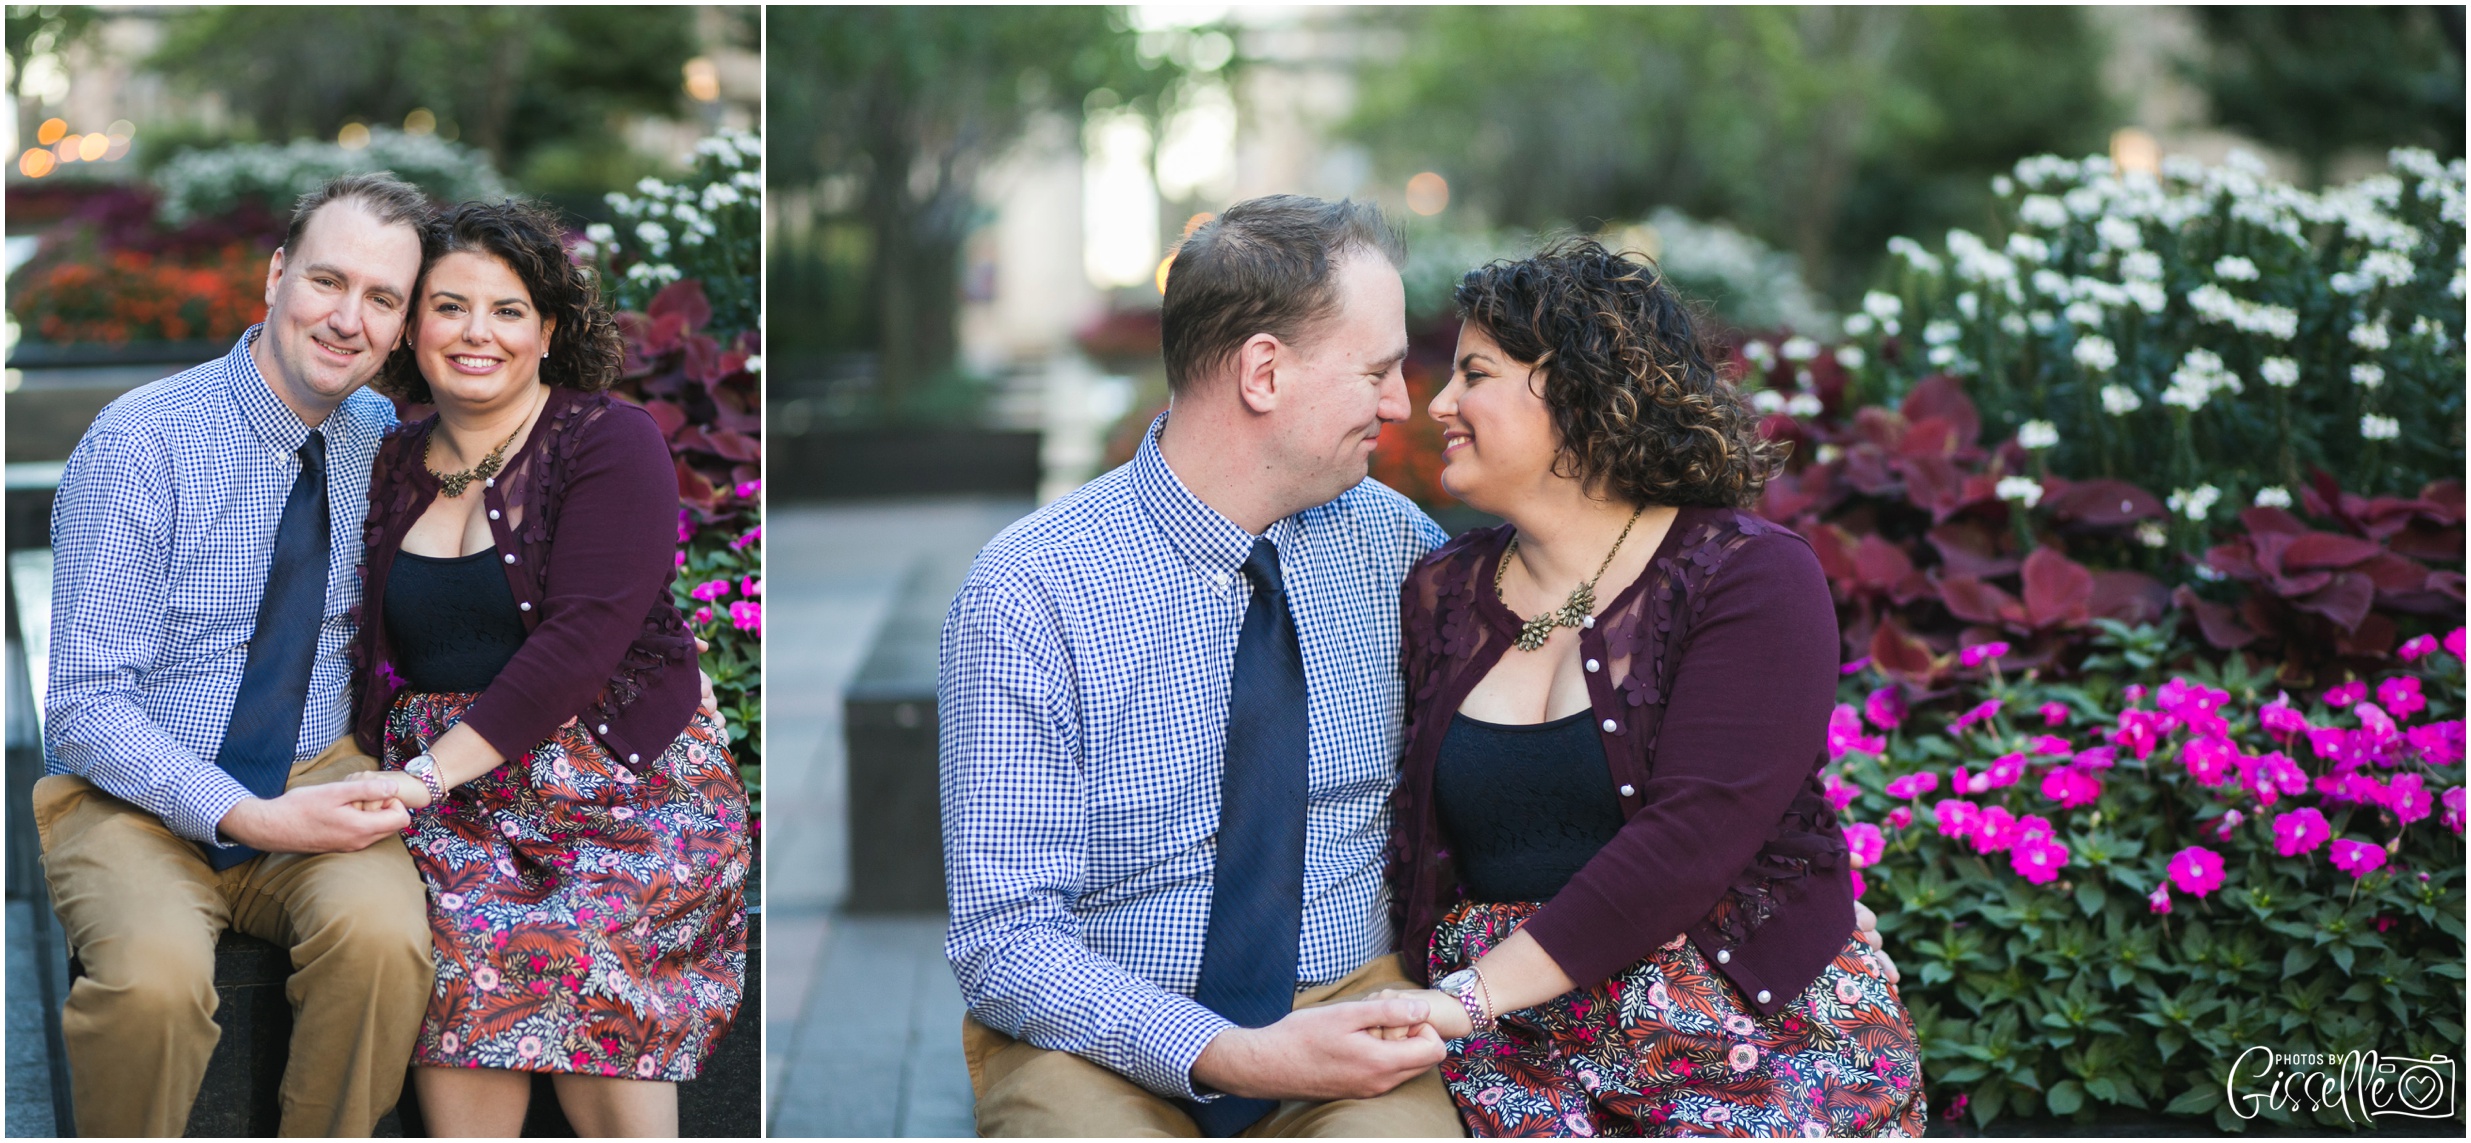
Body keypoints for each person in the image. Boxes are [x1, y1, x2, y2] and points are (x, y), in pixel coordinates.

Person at [939, 197, 1894, 1137]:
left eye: (1443, 373)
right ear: (1262, 372)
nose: (1410, 405)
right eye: (1381, 370)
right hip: (1110, 1024)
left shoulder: (1395, 551)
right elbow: (1003, 936)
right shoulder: (1032, 591)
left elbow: (1686, 814)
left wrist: (1445, 1003)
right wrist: (1229, 1049)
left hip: (1362, 1008)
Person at [1372, 240, 1927, 1136]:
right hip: (1510, 1050)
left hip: (1742, 1029)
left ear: (1576, 389)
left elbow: (1695, 837)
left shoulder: (1745, 576)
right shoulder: (1440, 591)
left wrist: (1467, 998)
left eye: (1472, 374)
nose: (1438, 404)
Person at [39, 173, 437, 1137]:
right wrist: (248, 812)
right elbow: (86, 706)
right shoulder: (144, 442)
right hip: (131, 798)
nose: (348, 319)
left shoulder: (382, 438)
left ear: (400, 328)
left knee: (389, 941)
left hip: (317, 767)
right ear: (274, 276)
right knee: (152, 982)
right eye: (327, 281)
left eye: (382, 299)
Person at [350, 198, 750, 1138]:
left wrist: (420, 776)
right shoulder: (388, 457)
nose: (475, 332)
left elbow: (578, 647)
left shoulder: (608, 442)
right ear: (412, 325)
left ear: (548, 329)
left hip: (620, 786)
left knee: (584, 942)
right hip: (454, 805)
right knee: (454, 952)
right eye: (449, 306)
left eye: (507, 309)